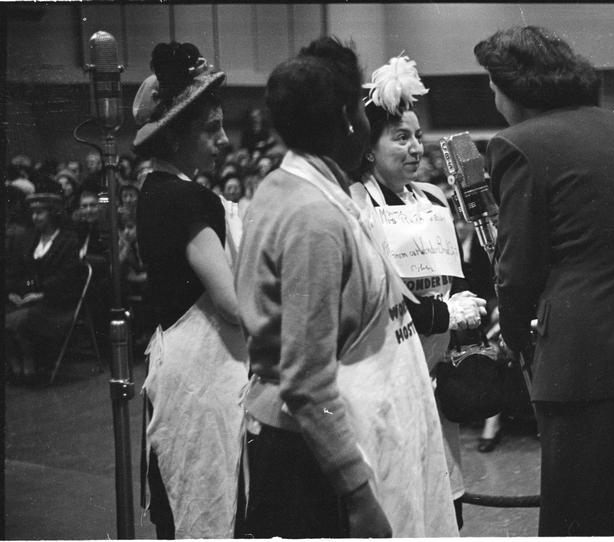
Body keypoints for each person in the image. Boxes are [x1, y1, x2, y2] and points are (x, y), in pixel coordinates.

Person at [235, 37, 457, 539]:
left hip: (315, 438)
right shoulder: (312, 217)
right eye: (360, 107)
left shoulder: (294, 188)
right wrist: (358, 494)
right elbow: (306, 381)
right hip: (311, 457)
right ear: (347, 119)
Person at [475, 26, 614, 536]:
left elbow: (516, 270)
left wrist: (515, 337)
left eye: (493, 86)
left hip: (583, 362)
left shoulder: (517, 144)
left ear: (516, 88)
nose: (493, 97)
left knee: (579, 517)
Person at [348, 53, 486, 530]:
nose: (413, 148)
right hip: (384, 377)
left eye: (417, 136)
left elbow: (454, 274)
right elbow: (377, 298)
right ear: (369, 149)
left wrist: (466, 305)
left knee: (443, 507)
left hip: (435, 374)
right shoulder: (356, 204)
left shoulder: (432, 197)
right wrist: (443, 314)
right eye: (399, 137)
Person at [132, 41, 248, 539]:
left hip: (178, 365)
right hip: (201, 374)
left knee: (183, 505)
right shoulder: (186, 198)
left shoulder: (154, 190)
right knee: (206, 501)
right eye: (210, 128)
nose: (223, 140)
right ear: (176, 135)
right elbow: (232, 304)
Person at [5, 191, 84, 384]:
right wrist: (13, 292)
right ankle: (14, 361)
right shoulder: (27, 239)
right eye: (33, 213)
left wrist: (40, 294)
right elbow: (16, 271)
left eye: (40, 212)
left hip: (54, 302)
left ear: (53, 213)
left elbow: (67, 279)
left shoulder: (68, 241)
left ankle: (28, 359)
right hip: (26, 298)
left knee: (19, 319)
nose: (35, 217)